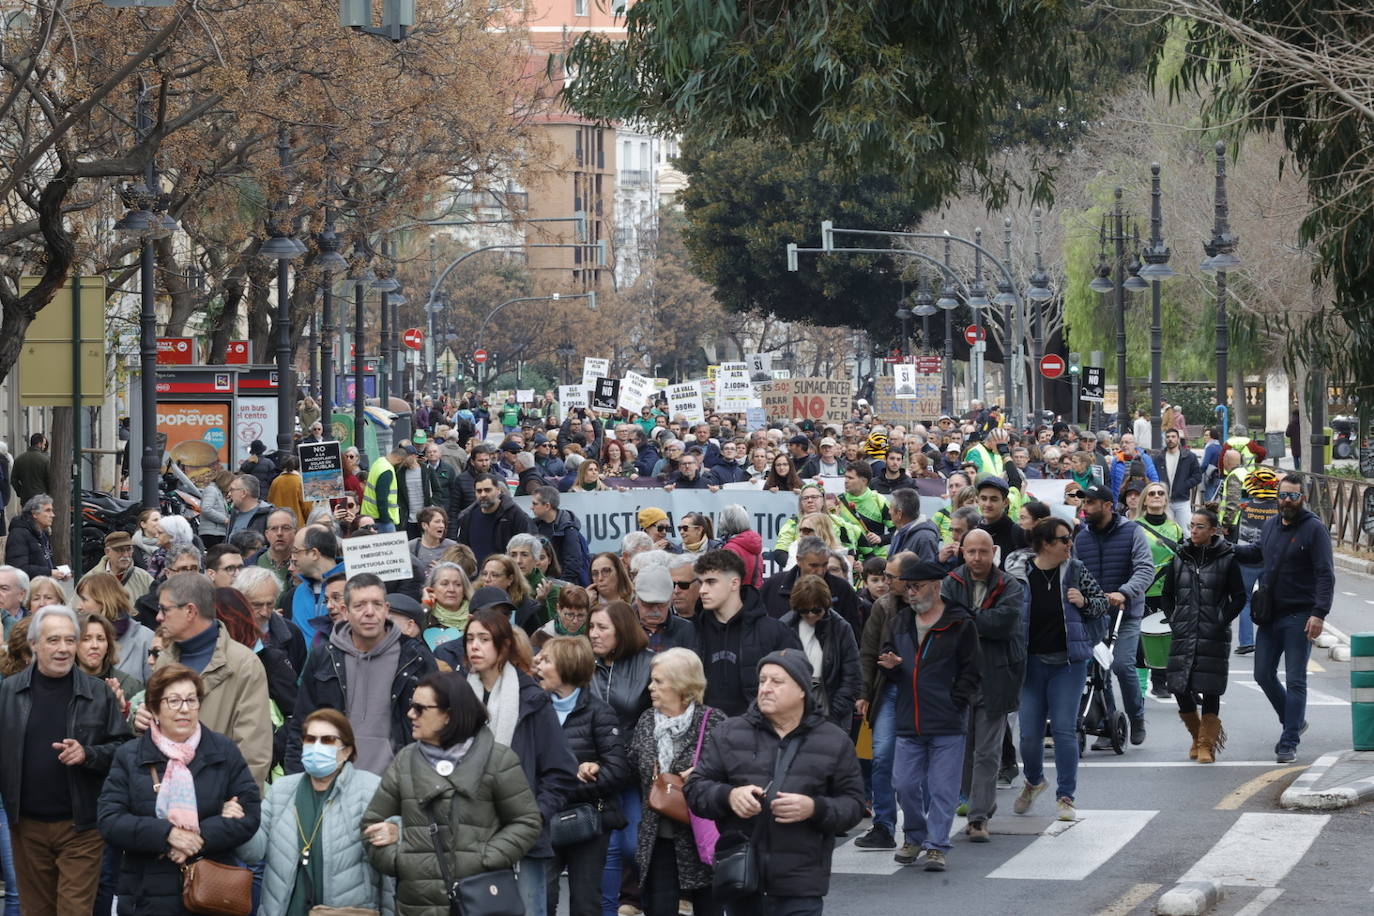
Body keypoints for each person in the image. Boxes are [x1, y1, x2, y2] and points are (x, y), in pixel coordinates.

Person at [687, 647, 865, 912]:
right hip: (743, 880)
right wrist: (729, 796)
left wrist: (814, 808)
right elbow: (695, 789)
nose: (766, 688)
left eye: (777, 682)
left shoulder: (834, 740)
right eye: (762, 681)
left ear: (803, 690)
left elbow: (853, 805)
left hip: (801, 885)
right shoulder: (729, 733)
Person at [363, 671, 540, 915]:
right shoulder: (405, 760)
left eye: (420, 708)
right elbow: (372, 823)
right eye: (410, 706)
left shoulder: (497, 760)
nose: (410, 714)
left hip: (478, 900)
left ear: (449, 715)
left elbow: (526, 821)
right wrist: (398, 860)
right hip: (417, 904)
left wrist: (486, 858)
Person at [97, 662, 260, 915]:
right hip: (146, 893)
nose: (184, 709)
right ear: (154, 708)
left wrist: (199, 836)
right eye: (174, 701)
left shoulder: (222, 750)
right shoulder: (130, 755)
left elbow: (249, 813)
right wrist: (167, 835)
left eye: (191, 700)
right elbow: (110, 820)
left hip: (211, 890)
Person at [0, 605, 131, 916]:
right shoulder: (8, 692)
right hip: (26, 826)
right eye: (54, 640)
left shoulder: (98, 693)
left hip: (81, 827)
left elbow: (124, 749)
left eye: (70, 640)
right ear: (34, 644)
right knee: (36, 910)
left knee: (74, 910)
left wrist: (88, 754)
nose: (63, 649)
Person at [462, 610, 578, 916]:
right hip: (468, 835)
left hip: (522, 838)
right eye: (470, 639)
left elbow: (561, 770)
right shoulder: (457, 698)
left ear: (503, 647)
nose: (474, 646)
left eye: (484, 639)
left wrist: (534, 816)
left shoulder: (531, 699)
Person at [239, 708, 390, 916]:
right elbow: (253, 852)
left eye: (327, 740)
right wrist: (240, 821)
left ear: (346, 750)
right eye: (310, 739)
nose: (316, 747)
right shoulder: (281, 790)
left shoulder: (370, 789)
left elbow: (389, 864)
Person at [879, 560, 979, 871]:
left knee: (942, 789)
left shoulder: (960, 622)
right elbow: (886, 657)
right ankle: (914, 836)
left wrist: (956, 701)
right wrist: (893, 667)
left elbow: (972, 670)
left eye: (917, 586)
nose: (910, 593)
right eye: (907, 587)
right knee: (904, 784)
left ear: (936, 587)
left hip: (947, 721)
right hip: (910, 718)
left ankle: (936, 845)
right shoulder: (899, 623)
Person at [286, 572, 437, 775]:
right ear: (345, 611)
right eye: (359, 605)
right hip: (335, 781)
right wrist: (297, 782)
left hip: (396, 784)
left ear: (386, 609)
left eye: (377, 604)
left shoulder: (415, 657)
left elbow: (435, 725)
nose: (369, 612)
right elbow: (302, 723)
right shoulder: (324, 656)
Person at [1009, 517, 1109, 822]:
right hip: (1031, 662)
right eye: (1064, 539)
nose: (1070, 544)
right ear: (1046, 543)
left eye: (1070, 539)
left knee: (1065, 730)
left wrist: (1083, 602)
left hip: (1069, 662)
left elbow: (1102, 604)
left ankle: (1065, 796)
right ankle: (1034, 780)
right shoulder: (1019, 573)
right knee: (1028, 734)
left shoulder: (1076, 570)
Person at [1231, 472, 1334, 763]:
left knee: (1296, 679)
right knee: (1262, 675)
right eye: (1283, 495)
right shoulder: (1271, 525)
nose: (1286, 501)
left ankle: (1289, 739)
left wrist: (1319, 613)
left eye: (1293, 496)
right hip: (1269, 615)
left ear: (1303, 498)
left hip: (1300, 615)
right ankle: (1294, 720)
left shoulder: (1314, 530)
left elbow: (1325, 575)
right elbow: (1256, 553)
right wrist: (1226, 548)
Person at [625, 648, 726, 916]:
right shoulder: (647, 720)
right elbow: (632, 766)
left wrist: (705, 774)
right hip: (658, 836)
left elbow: (734, 773)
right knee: (658, 908)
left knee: (709, 906)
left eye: (658, 681)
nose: (650, 687)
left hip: (701, 835)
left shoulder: (713, 720)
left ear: (682, 684)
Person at [533, 637, 630, 916]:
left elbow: (616, 772)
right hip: (544, 820)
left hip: (588, 823)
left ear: (567, 667)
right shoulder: (535, 709)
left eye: (547, 660)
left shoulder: (600, 712)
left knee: (586, 903)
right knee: (541, 899)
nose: (538, 664)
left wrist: (564, 783)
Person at [148, 573, 273, 786]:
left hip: (222, 804)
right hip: (168, 800)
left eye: (165, 609)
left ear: (190, 611)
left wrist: (235, 803)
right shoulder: (164, 661)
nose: (158, 617)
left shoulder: (243, 664)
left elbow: (253, 750)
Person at [941, 529, 1025, 842]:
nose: (977, 558)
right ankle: (975, 800)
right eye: (971, 551)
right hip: (960, 677)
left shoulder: (1009, 584)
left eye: (983, 552)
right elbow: (946, 623)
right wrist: (979, 621)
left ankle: (978, 818)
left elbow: (1005, 623)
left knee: (987, 752)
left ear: (994, 553)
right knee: (963, 749)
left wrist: (969, 620)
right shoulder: (951, 582)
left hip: (997, 675)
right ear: (962, 552)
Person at [1161, 508, 1246, 764]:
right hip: (1184, 629)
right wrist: (1174, 619)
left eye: (1199, 526)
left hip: (1213, 632)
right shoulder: (1180, 557)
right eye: (1192, 526)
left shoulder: (1227, 558)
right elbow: (1168, 594)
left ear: (1212, 531)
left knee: (1210, 688)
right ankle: (1196, 735)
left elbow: (1240, 596)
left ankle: (1206, 745)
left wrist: (1222, 619)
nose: (1194, 531)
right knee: (1178, 685)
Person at [1074, 483, 1155, 747]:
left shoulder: (1132, 531)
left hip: (1125, 611)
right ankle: (1109, 722)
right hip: (1094, 614)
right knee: (1098, 670)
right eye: (1083, 503)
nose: (1085, 508)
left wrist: (1124, 591)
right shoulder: (1081, 538)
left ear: (1108, 506)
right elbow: (1074, 573)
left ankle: (1137, 716)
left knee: (1120, 664)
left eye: (1090, 503)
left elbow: (1145, 569)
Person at [692, 549, 801, 717]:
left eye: (711, 582)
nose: (702, 590)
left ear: (734, 583)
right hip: (702, 733)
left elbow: (795, 687)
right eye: (701, 583)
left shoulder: (774, 632)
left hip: (758, 732)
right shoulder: (692, 631)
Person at [779, 574, 861, 729]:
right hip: (792, 714)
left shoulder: (841, 628)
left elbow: (852, 678)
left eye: (817, 610)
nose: (810, 615)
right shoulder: (784, 626)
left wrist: (833, 715)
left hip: (831, 716)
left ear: (826, 605)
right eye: (804, 611)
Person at [761, 537, 862, 635]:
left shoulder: (842, 589)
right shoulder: (773, 586)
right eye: (814, 565)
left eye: (824, 565)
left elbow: (854, 631)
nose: (820, 571)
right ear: (799, 560)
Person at [75, 572, 157, 683]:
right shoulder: (75, 636)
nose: (78, 606)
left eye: (84, 600)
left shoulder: (146, 639)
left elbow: (155, 690)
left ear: (103, 601)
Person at [455, 472, 534, 564]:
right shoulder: (468, 516)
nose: (483, 494)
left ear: (498, 490)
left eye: (487, 490)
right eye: (479, 491)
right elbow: (464, 549)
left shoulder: (515, 515)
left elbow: (524, 549)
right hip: (476, 575)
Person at [531, 486, 590, 586]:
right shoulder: (534, 526)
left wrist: (560, 587)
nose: (531, 507)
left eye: (535, 504)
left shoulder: (568, 529)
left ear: (547, 506)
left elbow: (573, 564)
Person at [836, 462, 892, 563]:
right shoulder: (838, 501)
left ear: (864, 481)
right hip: (847, 560)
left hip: (875, 561)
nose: (845, 481)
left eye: (850, 478)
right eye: (845, 477)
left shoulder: (879, 501)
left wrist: (881, 539)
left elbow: (898, 532)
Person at [5, 494, 67, 583]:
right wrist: (49, 572)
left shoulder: (43, 534)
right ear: (34, 514)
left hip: (42, 589)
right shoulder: (18, 534)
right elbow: (18, 569)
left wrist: (59, 573)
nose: (52, 515)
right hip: (27, 593)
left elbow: (43, 564)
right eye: (48, 511)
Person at [82, 531, 155, 603]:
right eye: (120, 550)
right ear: (107, 552)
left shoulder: (143, 577)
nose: (126, 555)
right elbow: (75, 610)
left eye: (129, 549)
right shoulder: (90, 579)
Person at [1153, 427, 1202, 528]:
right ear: (1165, 439)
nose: (1170, 439)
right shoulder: (1158, 457)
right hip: (1164, 500)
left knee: (1187, 530)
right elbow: (1153, 475)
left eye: (1173, 437)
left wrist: (1184, 485)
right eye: (1168, 437)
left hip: (1182, 501)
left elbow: (1197, 476)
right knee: (1166, 530)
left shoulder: (1189, 456)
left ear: (1178, 439)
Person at [421, 561, 472, 649]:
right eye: (444, 584)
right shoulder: (425, 617)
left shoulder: (475, 615)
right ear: (432, 588)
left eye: (458, 584)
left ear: (464, 590)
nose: (451, 589)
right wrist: (426, 606)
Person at [267, 454, 312, 527]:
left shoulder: (275, 481)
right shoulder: (300, 482)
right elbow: (307, 507)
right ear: (299, 467)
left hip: (278, 523)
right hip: (296, 525)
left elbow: (270, 502)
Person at [10, 434, 51, 506]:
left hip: (26, 498)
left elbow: (13, 480)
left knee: (27, 517)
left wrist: (20, 492)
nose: (44, 447)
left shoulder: (19, 459)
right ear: (39, 444)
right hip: (41, 498)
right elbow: (49, 480)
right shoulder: (45, 460)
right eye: (44, 444)